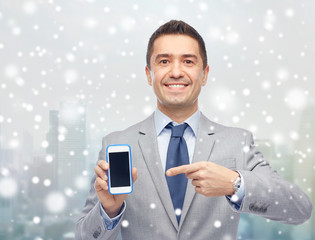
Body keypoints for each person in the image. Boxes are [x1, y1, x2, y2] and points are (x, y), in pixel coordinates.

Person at [76, 20, 312, 240]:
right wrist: (109, 209)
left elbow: (300, 209)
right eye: (164, 61)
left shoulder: (237, 141)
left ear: (204, 74)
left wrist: (235, 183)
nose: (176, 72)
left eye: (188, 61)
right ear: (149, 74)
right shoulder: (117, 143)